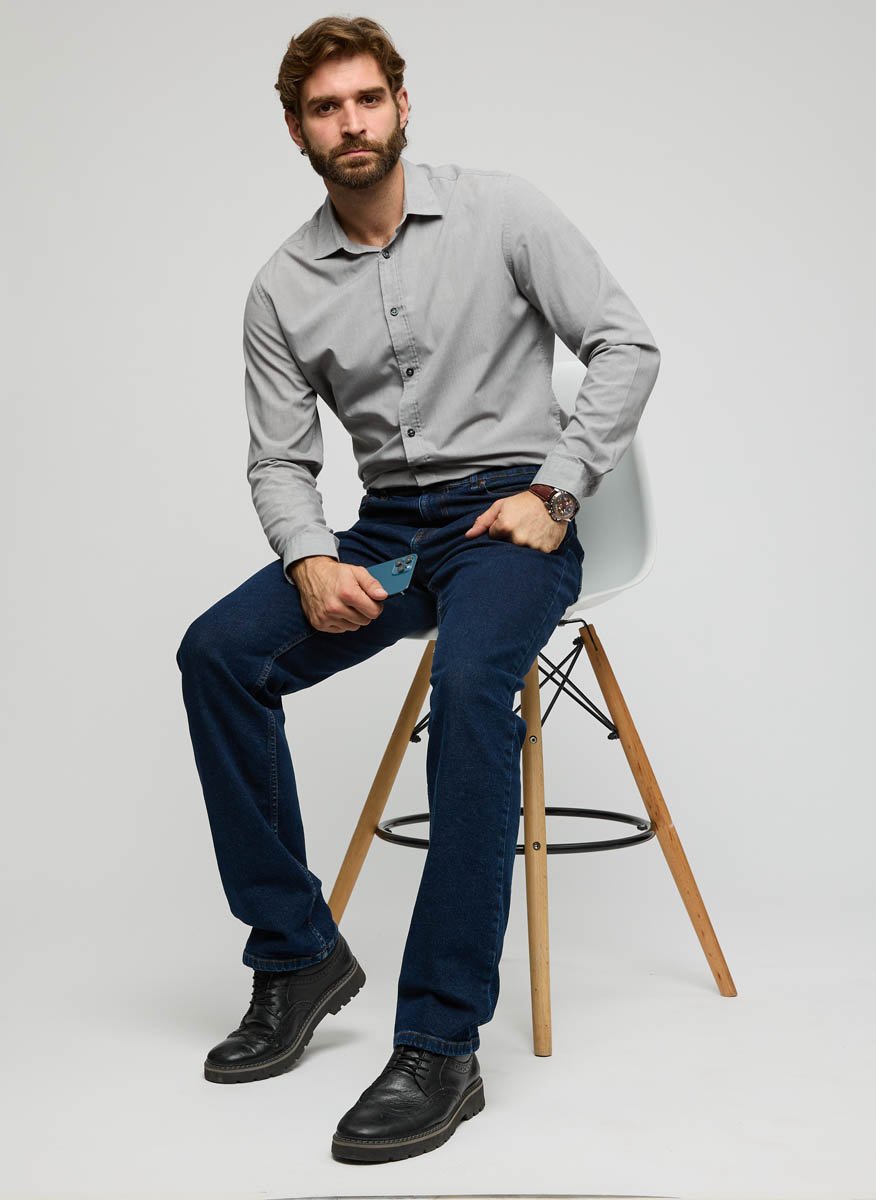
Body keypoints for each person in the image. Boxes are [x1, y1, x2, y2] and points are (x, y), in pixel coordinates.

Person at [175, 13, 660, 1164]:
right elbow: (280, 461)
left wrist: (557, 491)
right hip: (390, 536)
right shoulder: (282, 287)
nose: (350, 123)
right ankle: (297, 955)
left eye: (366, 99)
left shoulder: (503, 212)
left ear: (401, 104)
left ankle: (441, 1044)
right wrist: (311, 557)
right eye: (325, 109)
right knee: (219, 654)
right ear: (298, 130)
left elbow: (625, 345)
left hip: (506, 526)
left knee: (475, 681)